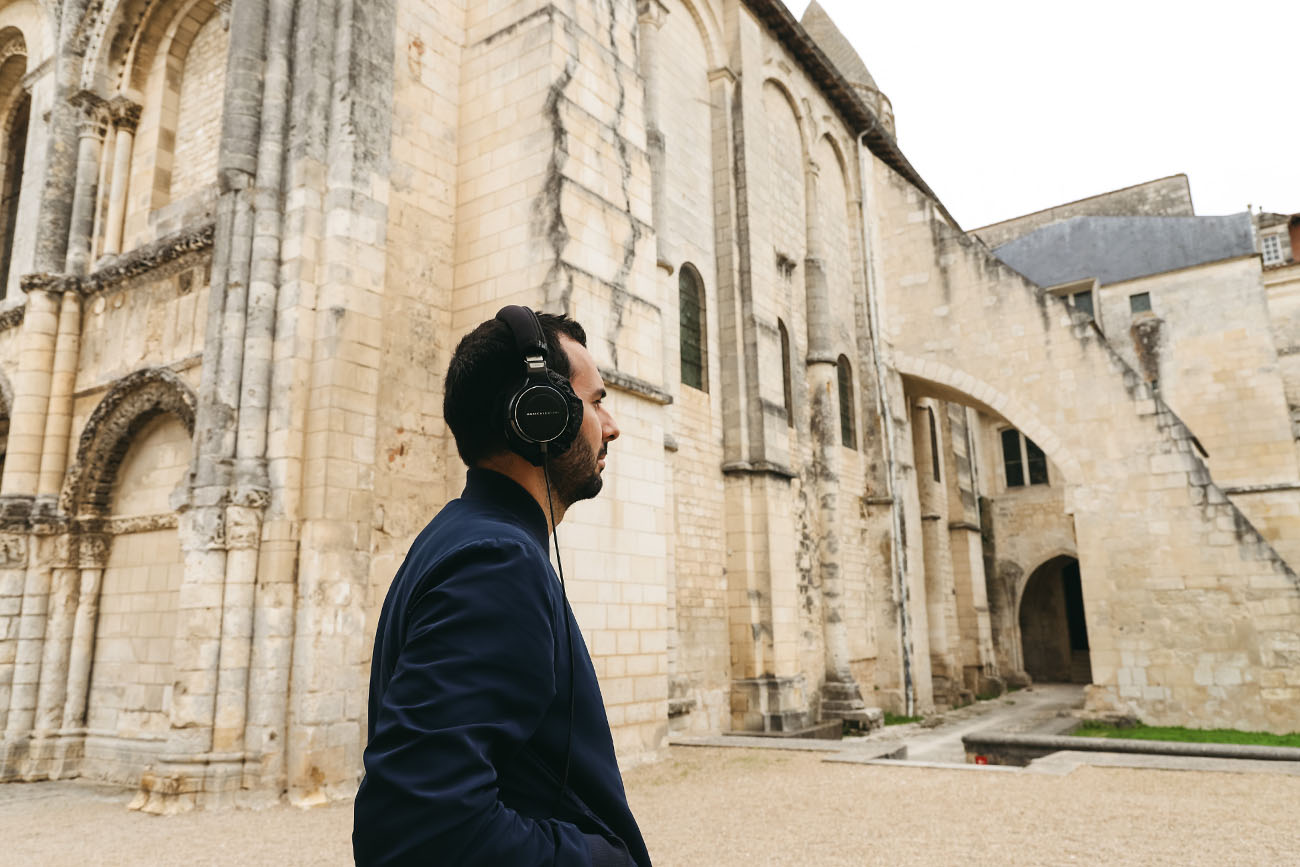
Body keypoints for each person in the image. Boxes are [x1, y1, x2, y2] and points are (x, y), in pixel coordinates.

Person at [353, 306, 651, 866]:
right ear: (543, 416)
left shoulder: (464, 538)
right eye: (594, 401)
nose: (612, 425)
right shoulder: (495, 562)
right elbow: (415, 831)